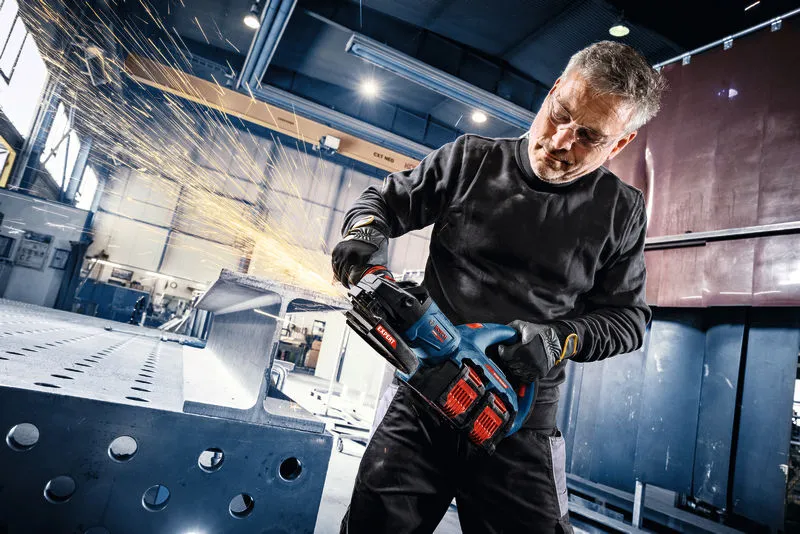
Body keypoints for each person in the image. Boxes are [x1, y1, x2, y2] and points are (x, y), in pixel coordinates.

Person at [331, 41, 666, 534]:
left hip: (518, 419)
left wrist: (559, 339)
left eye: (588, 137)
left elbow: (629, 321)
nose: (559, 141)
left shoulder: (620, 211)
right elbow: (382, 200)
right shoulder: (470, 159)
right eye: (560, 115)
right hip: (422, 402)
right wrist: (364, 232)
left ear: (618, 144)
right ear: (553, 92)